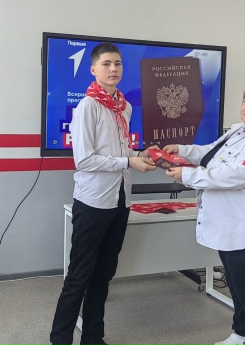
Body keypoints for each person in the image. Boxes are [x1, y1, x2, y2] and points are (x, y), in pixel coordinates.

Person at [163, 80, 245, 345]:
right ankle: (242, 334)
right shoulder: (239, 130)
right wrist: (183, 151)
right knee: (237, 286)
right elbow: (211, 153)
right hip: (234, 227)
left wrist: (187, 175)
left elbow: (234, 176)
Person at [50, 42, 156, 345]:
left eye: (118, 64)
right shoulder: (88, 106)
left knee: (104, 274)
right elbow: (84, 160)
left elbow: (121, 151)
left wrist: (139, 155)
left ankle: (93, 338)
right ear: (93, 69)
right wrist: (128, 162)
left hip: (120, 199)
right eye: (107, 64)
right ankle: (60, 340)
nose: (113, 69)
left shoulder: (124, 107)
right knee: (79, 276)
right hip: (93, 202)